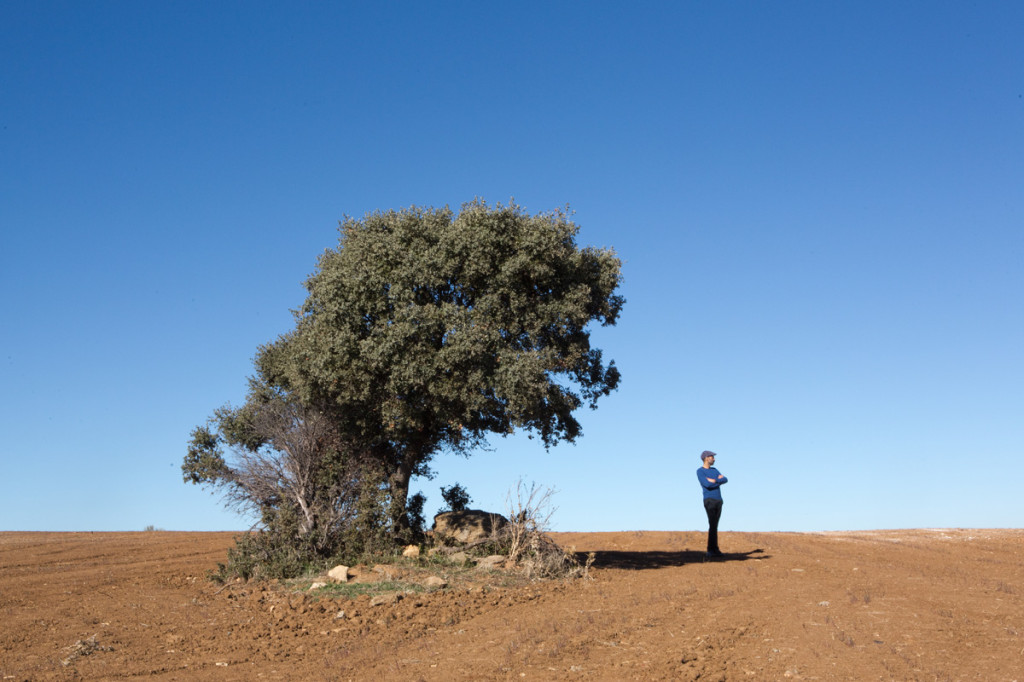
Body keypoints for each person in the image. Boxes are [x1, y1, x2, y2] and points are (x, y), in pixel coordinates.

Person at [697, 450, 727, 558]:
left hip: (718, 500)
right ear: (706, 458)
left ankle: (714, 549)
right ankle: (711, 550)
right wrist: (717, 481)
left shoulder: (714, 470)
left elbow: (725, 479)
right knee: (712, 524)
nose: (714, 459)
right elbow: (706, 484)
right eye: (712, 457)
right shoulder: (700, 471)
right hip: (709, 500)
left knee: (715, 525)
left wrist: (714, 481)